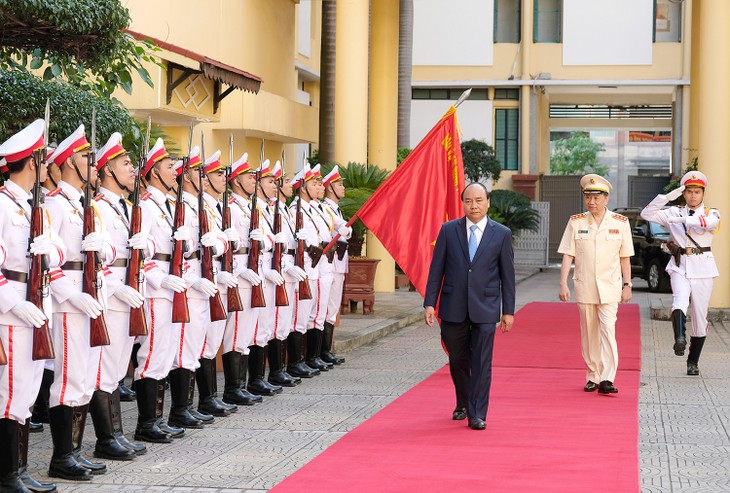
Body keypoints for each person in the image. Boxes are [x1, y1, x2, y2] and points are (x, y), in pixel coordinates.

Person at [0, 119, 65, 492]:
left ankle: (20, 470)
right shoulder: (4, 205)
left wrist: (48, 251)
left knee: (27, 390)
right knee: (11, 392)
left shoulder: (32, 204)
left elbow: (57, 252)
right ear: (30, 162)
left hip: (38, 303)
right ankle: (8, 476)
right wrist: (11, 302)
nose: (47, 167)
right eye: (43, 160)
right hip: (14, 310)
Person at [424, 182, 515, 431]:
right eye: (468, 201)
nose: (473, 206)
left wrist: (508, 310)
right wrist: (430, 302)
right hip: (453, 307)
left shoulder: (502, 233)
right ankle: (463, 401)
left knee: (482, 361)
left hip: (486, 308)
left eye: (478, 200)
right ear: (462, 203)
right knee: (458, 360)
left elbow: (508, 275)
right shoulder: (448, 230)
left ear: (487, 202)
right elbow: (436, 270)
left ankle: (477, 413)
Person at [558, 174, 634, 395]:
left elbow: (625, 257)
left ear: (606, 199)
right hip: (585, 286)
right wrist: (563, 283)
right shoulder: (576, 222)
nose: (591, 201)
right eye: (588, 197)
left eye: (596, 197)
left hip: (610, 287)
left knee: (608, 330)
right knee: (589, 333)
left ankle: (608, 377)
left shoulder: (620, 223)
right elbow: (567, 255)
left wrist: (627, 284)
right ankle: (593, 375)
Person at [640, 171, 719, 375]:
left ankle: (693, 362)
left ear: (703, 193)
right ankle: (680, 339)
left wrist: (682, 220)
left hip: (703, 268)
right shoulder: (674, 211)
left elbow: (709, 224)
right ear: (684, 194)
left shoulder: (712, 212)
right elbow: (646, 214)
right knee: (679, 301)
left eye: (697, 192)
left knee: (700, 318)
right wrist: (667, 198)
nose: (693, 196)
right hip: (680, 266)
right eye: (689, 192)